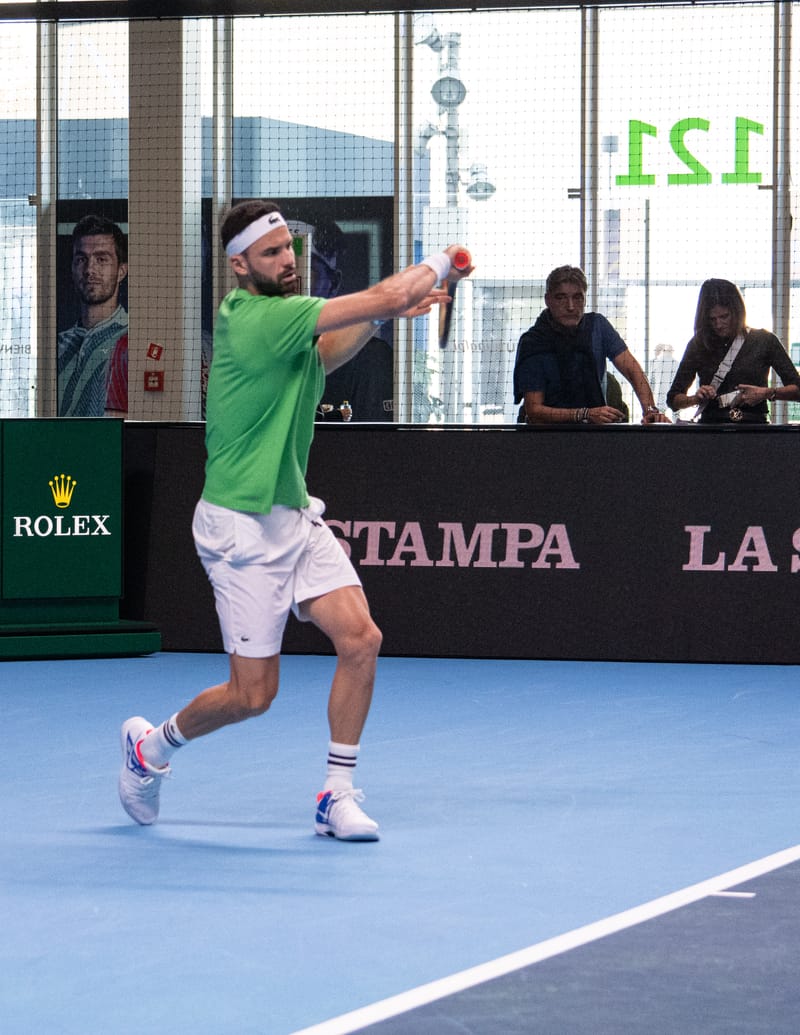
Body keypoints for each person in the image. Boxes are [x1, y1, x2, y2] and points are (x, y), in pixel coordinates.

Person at [118, 199, 470, 841]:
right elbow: (386, 293)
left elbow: (328, 351)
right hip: (238, 530)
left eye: (290, 248)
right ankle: (151, 749)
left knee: (361, 639)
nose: (288, 260)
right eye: (273, 252)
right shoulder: (255, 319)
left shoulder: (288, 329)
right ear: (240, 265)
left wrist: (390, 309)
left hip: (292, 514)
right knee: (252, 696)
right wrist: (441, 263)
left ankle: (335, 795)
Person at [513, 265, 670, 425]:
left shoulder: (597, 326)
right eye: (561, 298)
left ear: (585, 299)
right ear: (548, 300)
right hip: (546, 436)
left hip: (593, 433)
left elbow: (632, 370)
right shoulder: (533, 342)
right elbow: (534, 410)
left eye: (578, 297)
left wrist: (650, 410)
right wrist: (584, 414)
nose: (570, 306)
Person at [288, 213, 394, 422]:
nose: (291, 287)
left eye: (307, 274)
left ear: (333, 283)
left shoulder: (370, 358)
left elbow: (375, 445)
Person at [666, 278, 800, 423]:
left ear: (737, 312)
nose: (718, 324)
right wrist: (695, 398)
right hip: (710, 429)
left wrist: (767, 393)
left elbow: (798, 390)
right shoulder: (698, 344)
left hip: (755, 430)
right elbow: (673, 399)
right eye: (712, 319)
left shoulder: (765, 340)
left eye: (724, 316)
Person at [57, 214, 128, 417]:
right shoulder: (58, 345)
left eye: (101, 259)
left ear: (121, 271)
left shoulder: (132, 340)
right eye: (81, 259)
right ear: (72, 268)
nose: (90, 269)